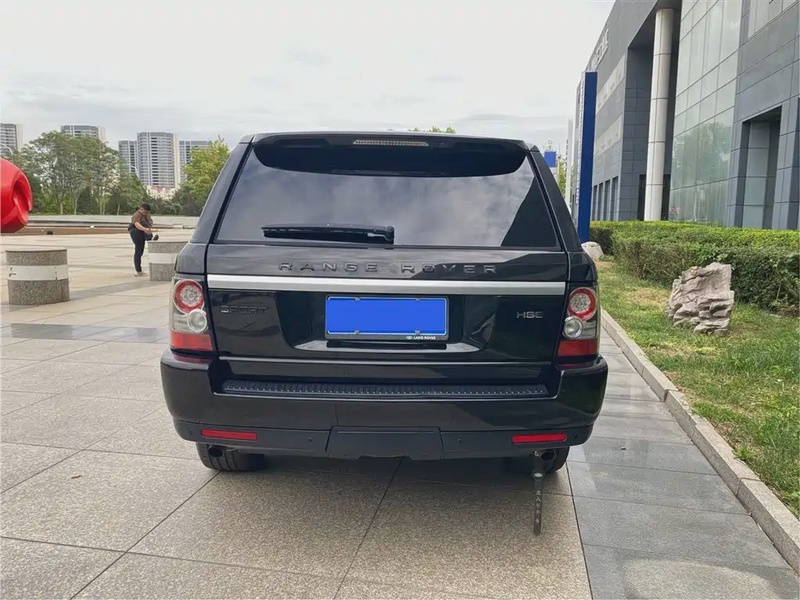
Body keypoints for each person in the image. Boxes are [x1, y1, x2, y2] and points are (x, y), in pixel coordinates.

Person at [128, 203, 158, 276]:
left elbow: (150, 222)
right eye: (145, 212)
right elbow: (137, 224)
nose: (146, 214)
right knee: (139, 250)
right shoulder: (136, 215)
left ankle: (150, 240)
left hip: (143, 232)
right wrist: (144, 229)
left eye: (147, 212)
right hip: (135, 231)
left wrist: (148, 227)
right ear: (141, 209)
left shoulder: (147, 216)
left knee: (141, 249)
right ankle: (138, 270)